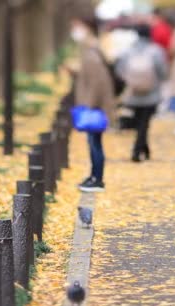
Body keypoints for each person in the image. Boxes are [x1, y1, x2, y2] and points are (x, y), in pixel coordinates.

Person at [71, 17, 115, 192]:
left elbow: (98, 82)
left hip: (94, 106)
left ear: (87, 28)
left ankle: (97, 178)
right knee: (93, 142)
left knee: (95, 143)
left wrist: (89, 105)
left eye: (76, 26)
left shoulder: (91, 52)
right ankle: (94, 176)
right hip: (93, 104)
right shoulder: (91, 50)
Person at [116, 25, 168, 162]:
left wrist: (130, 81)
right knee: (144, 123)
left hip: (133, 93)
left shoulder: (127, 51)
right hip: (151, 93)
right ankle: (137, 150)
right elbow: (162, 72)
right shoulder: (156, 51)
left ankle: (144, 149)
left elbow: (119, 70)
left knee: (140, 122)